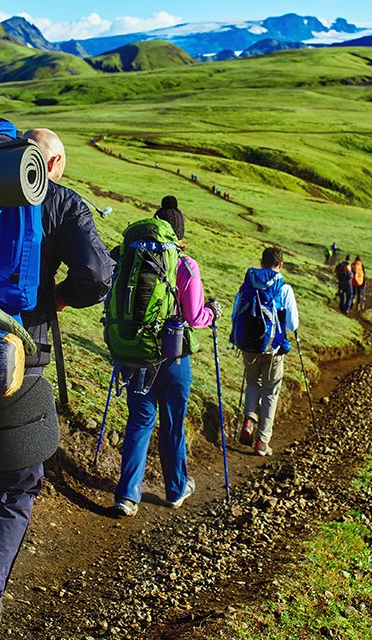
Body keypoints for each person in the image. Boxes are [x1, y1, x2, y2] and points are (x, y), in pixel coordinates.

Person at [0, 128, 114, 640]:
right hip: (21, 357)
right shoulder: (61, 201)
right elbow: (98, 275)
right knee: (19, 483)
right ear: (54, 160)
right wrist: (55, 299)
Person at [113, 199, 221, 517]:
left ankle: (127, 496)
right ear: (179, 235)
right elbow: (195, 316)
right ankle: (176, 489)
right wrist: (212, 312)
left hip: (134, 352)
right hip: (173, 358)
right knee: (173, 424)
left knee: (139, 421)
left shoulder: (131, 256)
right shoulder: (185, 265)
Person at [236, 247, 299, 457]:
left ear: (261, 263)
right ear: (280, 265)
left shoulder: (248, 283)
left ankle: (249, 419)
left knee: (253, 383)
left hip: (249, 345)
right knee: (270, 391)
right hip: (273, 348)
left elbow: (236, 313)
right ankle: (262, 441)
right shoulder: (284, 288)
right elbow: (292, 323)